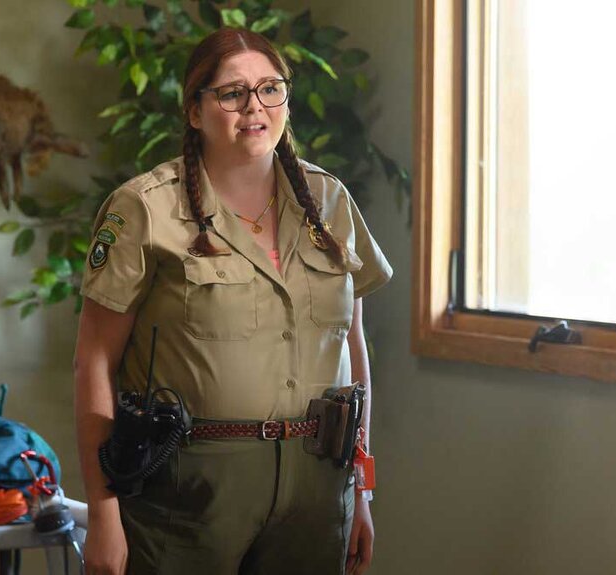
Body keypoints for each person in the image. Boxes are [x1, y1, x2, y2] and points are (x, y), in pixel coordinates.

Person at [73, 27, 392, 575]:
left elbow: (352, 351)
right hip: (188, 490)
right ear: (195, 111)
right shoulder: (144, 210)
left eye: (271, 88)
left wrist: (360, 488)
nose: (255, 106)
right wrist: (103, 512)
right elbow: (93, 362)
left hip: (318, 487)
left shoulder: (329, 202)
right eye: (231, 92)